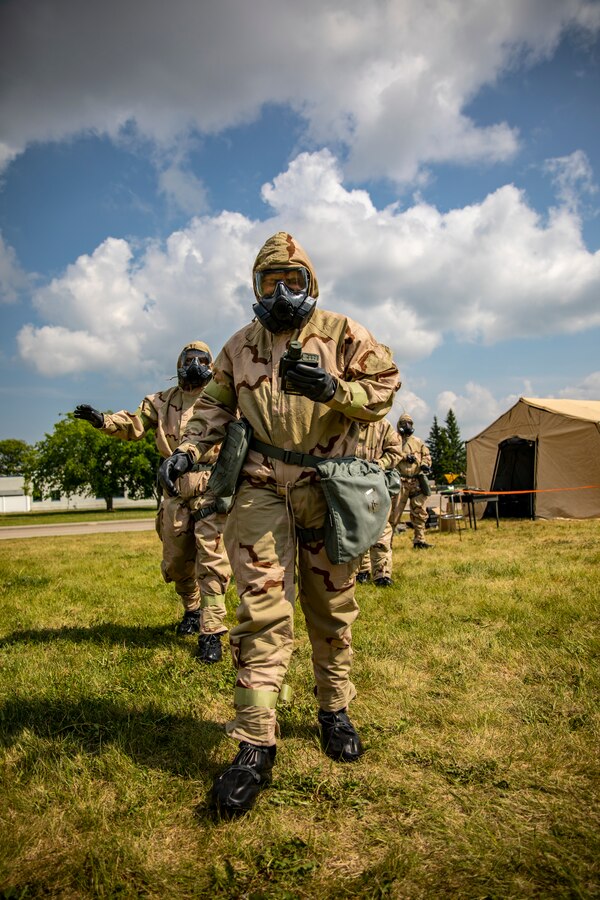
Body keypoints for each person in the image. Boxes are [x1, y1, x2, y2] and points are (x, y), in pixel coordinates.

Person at [158, 232, 401, 817]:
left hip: (329, 488)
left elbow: (386, 386)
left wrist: (334, 388)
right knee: (262, 610)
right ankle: (254, 744)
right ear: (256, 287)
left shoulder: (346, 335)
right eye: (272, 282)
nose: (284, 291)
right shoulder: (240, 346)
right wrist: (189, 451)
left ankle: (333, 710)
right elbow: (213, 406)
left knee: (331, 606)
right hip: (262, 489)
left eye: (294, 280)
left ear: (311, 283)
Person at [74, 342, 231, 663]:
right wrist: (102, 420)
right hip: (173, 488)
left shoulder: (220, 399)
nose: (196, 365)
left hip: (210, 485)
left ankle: (211, 630)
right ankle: (191, 610)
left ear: (212, 365)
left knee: (212, 561)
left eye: (203, 360)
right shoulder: (162, 402)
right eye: (190, 360)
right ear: (178, 364)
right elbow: (134, 424)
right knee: (176, 561)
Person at [355, 419, 404, 587]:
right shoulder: (341, 420)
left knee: (380, 527)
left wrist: (380, 464)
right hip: (349, 486)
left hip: (373, 486)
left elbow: (396, 451)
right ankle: (361, 570)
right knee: (355, 527)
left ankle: (382, 574)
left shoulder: (383, 426)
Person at [390, 413, 434, 549]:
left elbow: (426, 455)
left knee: (419, 511)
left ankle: (419, 540)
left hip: (416, 481)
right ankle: (387, 542)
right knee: (394, 513)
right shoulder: (394, 440)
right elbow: (390, 455)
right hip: (400, 481)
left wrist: (425, 464)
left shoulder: (418, 441)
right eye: (404, 423)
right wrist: (404, 457)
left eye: (409, 423)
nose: (407, 426)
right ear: (399, 425)